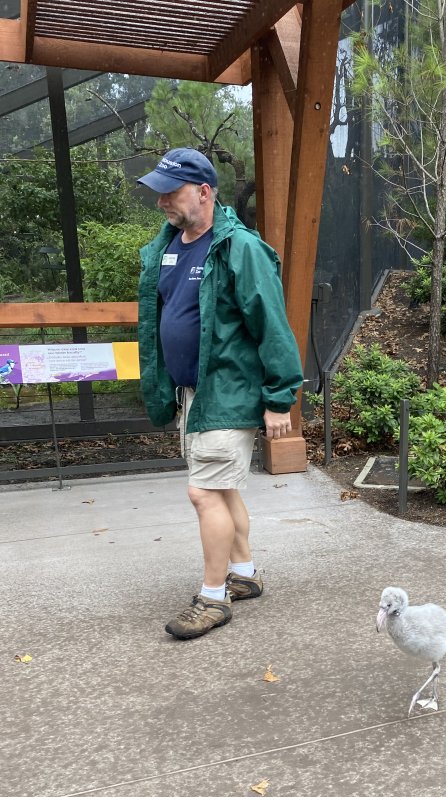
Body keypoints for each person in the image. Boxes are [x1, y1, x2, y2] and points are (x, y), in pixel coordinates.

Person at [137, 147, 302, 640]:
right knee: (222, 488)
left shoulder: (239, 248)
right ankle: (244, 576)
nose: (162, 200)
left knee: (202, 491)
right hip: (194, 392)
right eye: (159, 192)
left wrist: (279, 398)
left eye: (172, 191)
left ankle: (212, 599)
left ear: (204, 192)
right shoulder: (169, 246)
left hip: (228, 389)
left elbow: (272, 324)